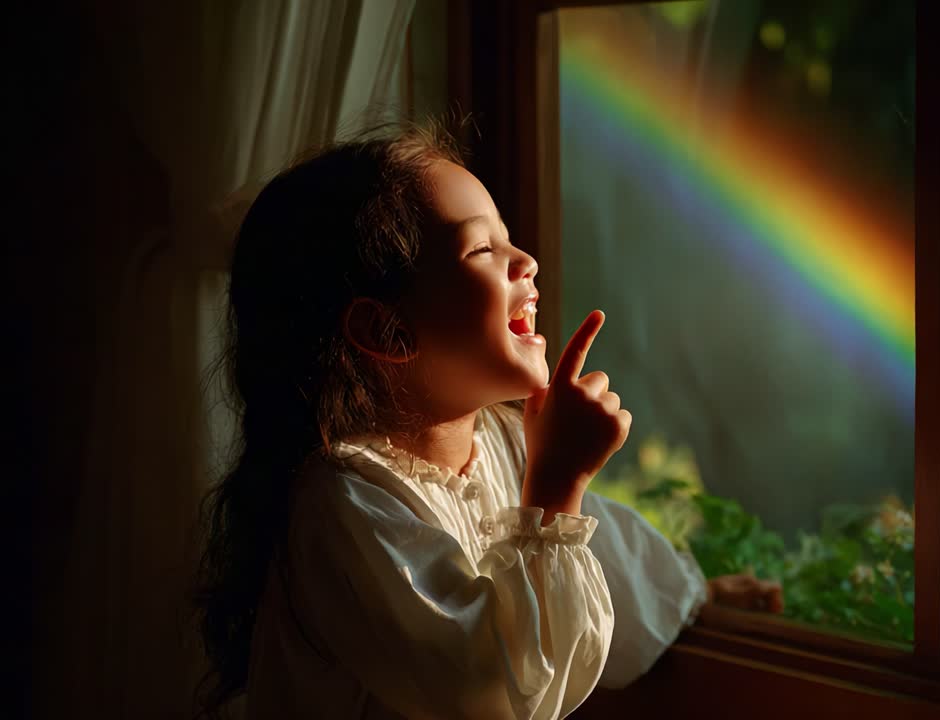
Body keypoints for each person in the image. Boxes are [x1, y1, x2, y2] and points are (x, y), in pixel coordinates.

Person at [194, 125, 783, 720]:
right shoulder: (344, 505)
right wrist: (556, 490)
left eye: (508, 241)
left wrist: (690, 598)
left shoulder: (501, 440)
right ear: (385, 331)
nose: (525, 261)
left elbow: (603, 549)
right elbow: (487, 694)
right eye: (482, 249)